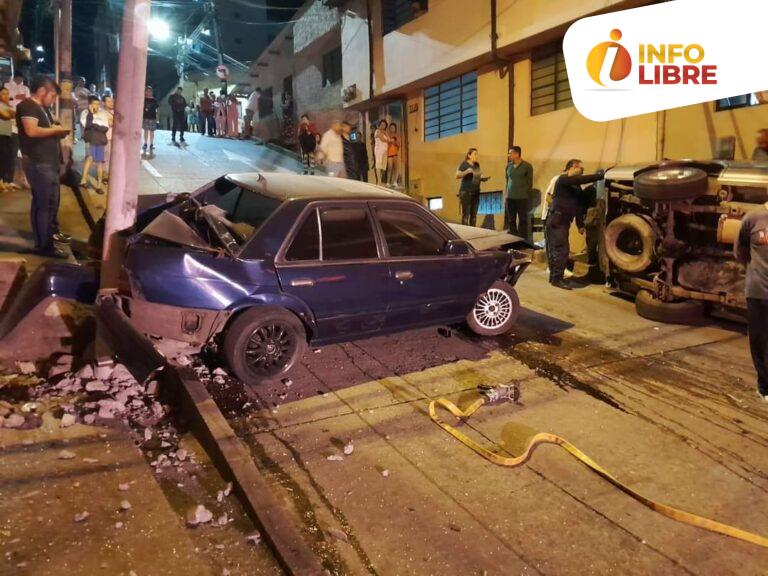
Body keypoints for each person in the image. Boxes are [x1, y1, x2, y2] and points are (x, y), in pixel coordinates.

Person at [16, 76, 70, 258]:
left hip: (48, 162)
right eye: (52, 95)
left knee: (47, 204)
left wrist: (58, 131)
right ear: (41, 91)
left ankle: (46, 240)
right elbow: (31, 130)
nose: (53, 100)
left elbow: (48, 128)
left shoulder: (43, 108)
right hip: (39, 163)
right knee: (45, 205)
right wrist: (56, 130)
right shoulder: (27, 106)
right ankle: (44, 246)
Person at [546, 159, 605, 290]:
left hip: (564, 222)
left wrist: (580, 225)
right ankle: (557, 278)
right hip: (557, 221)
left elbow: (578, 207)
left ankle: (555, 278)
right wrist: (600, 175)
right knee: (561, 250)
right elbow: (579, 180)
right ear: (571, 168)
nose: (581, 171)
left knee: (560, 250)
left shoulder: (576, 188)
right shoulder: (563, 180)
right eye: (579, 168)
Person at [735, 201, 768, 402]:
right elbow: (741, 251)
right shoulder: (753, 218)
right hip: (759, 291)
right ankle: (764, 387)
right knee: (760, 341)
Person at [79, 95, 109, 193]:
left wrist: (94, 125)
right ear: (89, 104)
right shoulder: (85, 113)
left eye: (98, 103)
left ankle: (99, 185)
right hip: (90, 140)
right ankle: (83, 180)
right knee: (90, 157)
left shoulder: (103, 112)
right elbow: (86, 125)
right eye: (94, 104)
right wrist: (91, 115)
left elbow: (105, 127)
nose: (97, 106)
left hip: (99, 140)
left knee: (99, 162)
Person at [505, 146, 534, 240]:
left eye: (511, 153)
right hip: (510, 197)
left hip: (522, 197)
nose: (509, 155)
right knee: (511, 220)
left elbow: (530, 183)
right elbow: (507, 180)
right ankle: (512, 239)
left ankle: (522, 239)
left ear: (517, 154)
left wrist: (524, 191)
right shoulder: (508, 166)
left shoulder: (527, 166)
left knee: (522, 220)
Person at [456, 148, 489, 227]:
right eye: (475, 154)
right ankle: (466, 235)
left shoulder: (477, 165)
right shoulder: (464, 164)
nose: (476, 156)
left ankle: (473, 234)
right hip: (466, 192)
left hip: (476, 192)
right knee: (466, 216)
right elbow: (457, 175)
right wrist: (466, 171)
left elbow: (479, 175)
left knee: (474, 216)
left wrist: (483, 178)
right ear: (469, 155)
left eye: (477, 154)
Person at [0, 87, 15, 191]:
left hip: (7, 133)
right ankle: (1, 181)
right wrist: (11, 114)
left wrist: (11, 113)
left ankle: (5, 181)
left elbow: (14, 114)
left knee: (7, 158)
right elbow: (6, 116)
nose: (6, 96)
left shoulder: (8, 106)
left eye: (7, 93)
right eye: (3, 94)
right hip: (0, 133)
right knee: (1, 158)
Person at [142, 86, 158, 152]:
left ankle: (151, 143)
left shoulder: (154, 100)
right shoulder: (143, 99)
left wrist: (157, 117)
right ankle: (145, 143)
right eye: (147, 91)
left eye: (150, 91)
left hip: (152, 117)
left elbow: (157, 109)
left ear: (152, 92)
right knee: (145, 130)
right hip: (145, 117)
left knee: (152, 131)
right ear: (146, 91)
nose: (149, 92)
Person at [386, 122, 400, 187]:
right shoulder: (387, 135)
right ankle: (388, 182)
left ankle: (395, 181)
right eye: (391, 127)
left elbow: (399, 145)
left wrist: (394, 142)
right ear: (389, 129)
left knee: (396, 168)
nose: (392, 128)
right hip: (389, 154)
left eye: (393, 127)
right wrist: (389, 141)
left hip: (395, 154)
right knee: (389, 168)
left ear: (395, 128)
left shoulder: (397, 135)